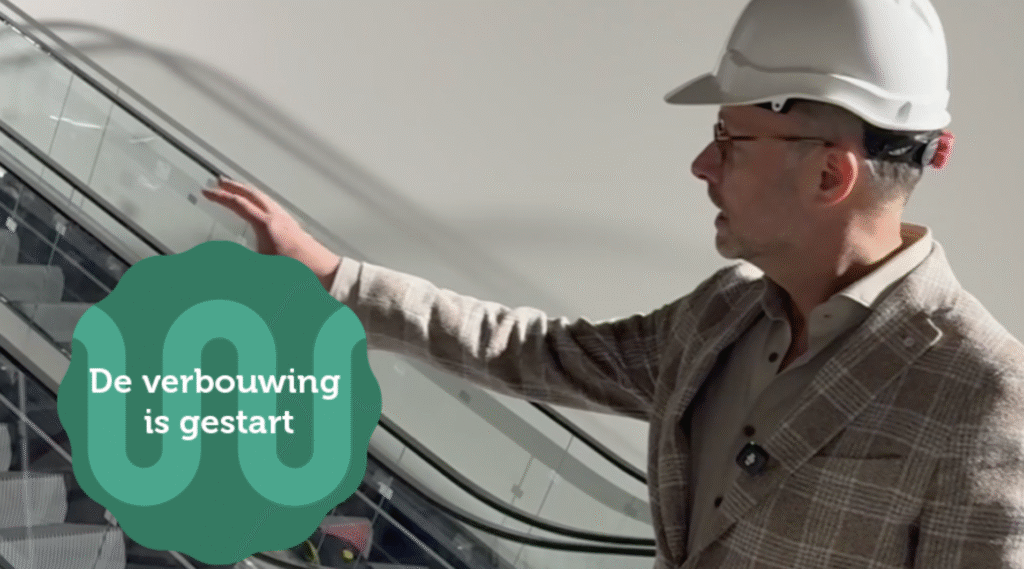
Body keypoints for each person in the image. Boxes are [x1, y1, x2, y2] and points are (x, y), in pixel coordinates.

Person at [203, 0, 1024, 567]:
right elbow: (538, 351)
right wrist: (334, 279)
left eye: (729, 140)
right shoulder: (722, 314)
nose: (702, 165)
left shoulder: (983, 398)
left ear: (829, 175)